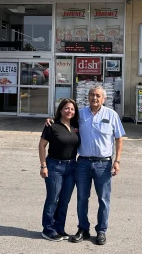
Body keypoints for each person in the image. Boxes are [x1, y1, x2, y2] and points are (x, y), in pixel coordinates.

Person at [47, 85, 125, 246]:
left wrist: (117, 161)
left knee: (103, 199)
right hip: (82, 163)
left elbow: (119, 139)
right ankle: (83, 228)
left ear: (104, 98)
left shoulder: (111, 115)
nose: (94, 98)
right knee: (82, 198)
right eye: (91, 95)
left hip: (103, 163)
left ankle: (101, 231)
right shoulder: (80, 114)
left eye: (97, 95)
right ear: (87, 97)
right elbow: (64, 120)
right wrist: (50, 120)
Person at [38, 98, 80, 242]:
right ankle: (48, 229)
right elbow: (42, 145)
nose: (70, 111)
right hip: (54, 166)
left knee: (64, 200)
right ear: (61, 110)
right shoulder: (52, 125)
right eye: (67, 108)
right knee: (52, 199)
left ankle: (59, 228)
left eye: (72, 109)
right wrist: (43, 166)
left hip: (72, 167)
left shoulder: (76, 126)